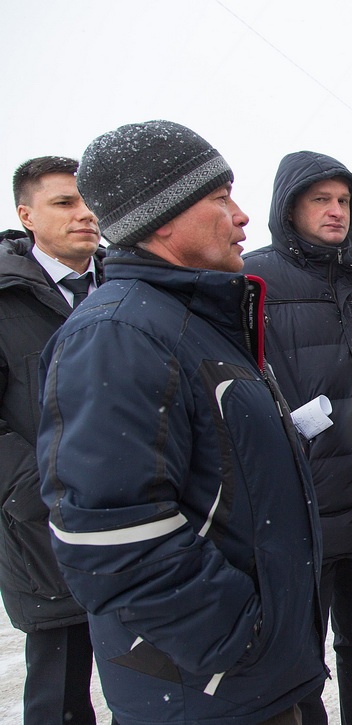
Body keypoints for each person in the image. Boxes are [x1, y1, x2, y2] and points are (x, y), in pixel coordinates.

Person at [35, 121, 326, 725]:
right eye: (220, 198)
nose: (242, 216)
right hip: (209, 691)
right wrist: (237, 639)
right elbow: (108, 534)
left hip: (256, 680)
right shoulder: (117, 334)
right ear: (160, 218)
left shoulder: (192, 319)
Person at [242, 151, 352, 724]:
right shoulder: (254, 278)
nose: (336, 211)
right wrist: (288, 442)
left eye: (344, 201)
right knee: (299, 662)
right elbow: (236, 382)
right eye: (321, 199)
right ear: (289, 207)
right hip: (301, 511)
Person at [0, 156, 102, 724]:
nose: (85, 215)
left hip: (137, 525)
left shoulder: (127, 286)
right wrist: (40, 494)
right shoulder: (3, 300)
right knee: (59, 691)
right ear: (27, 215)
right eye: (65, 203)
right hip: (44, 535)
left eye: (89, 203)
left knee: (158, 682)